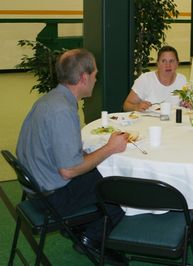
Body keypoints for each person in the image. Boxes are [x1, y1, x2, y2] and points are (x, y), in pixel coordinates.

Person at [16, 48, 128, 263]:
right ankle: (91, 238)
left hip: (37, 184)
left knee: (99, 169)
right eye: (95, 74)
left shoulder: (51, 99)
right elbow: (68, 171)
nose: (96, 78)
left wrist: (88, 152)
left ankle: (77, 228)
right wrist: (110, 148)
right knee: (118, 187)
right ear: (84, 77)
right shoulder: (62, 110)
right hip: (51, 196)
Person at [123, 45, 186, 112]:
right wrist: (136, 107)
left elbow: (187, 105)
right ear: (158, 63)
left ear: (177, 63)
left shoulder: (182, 80)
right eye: (163, 61)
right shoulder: (145, 79)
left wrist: (187, 105)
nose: (168, 65)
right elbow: (126, 106)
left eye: (171, 61)